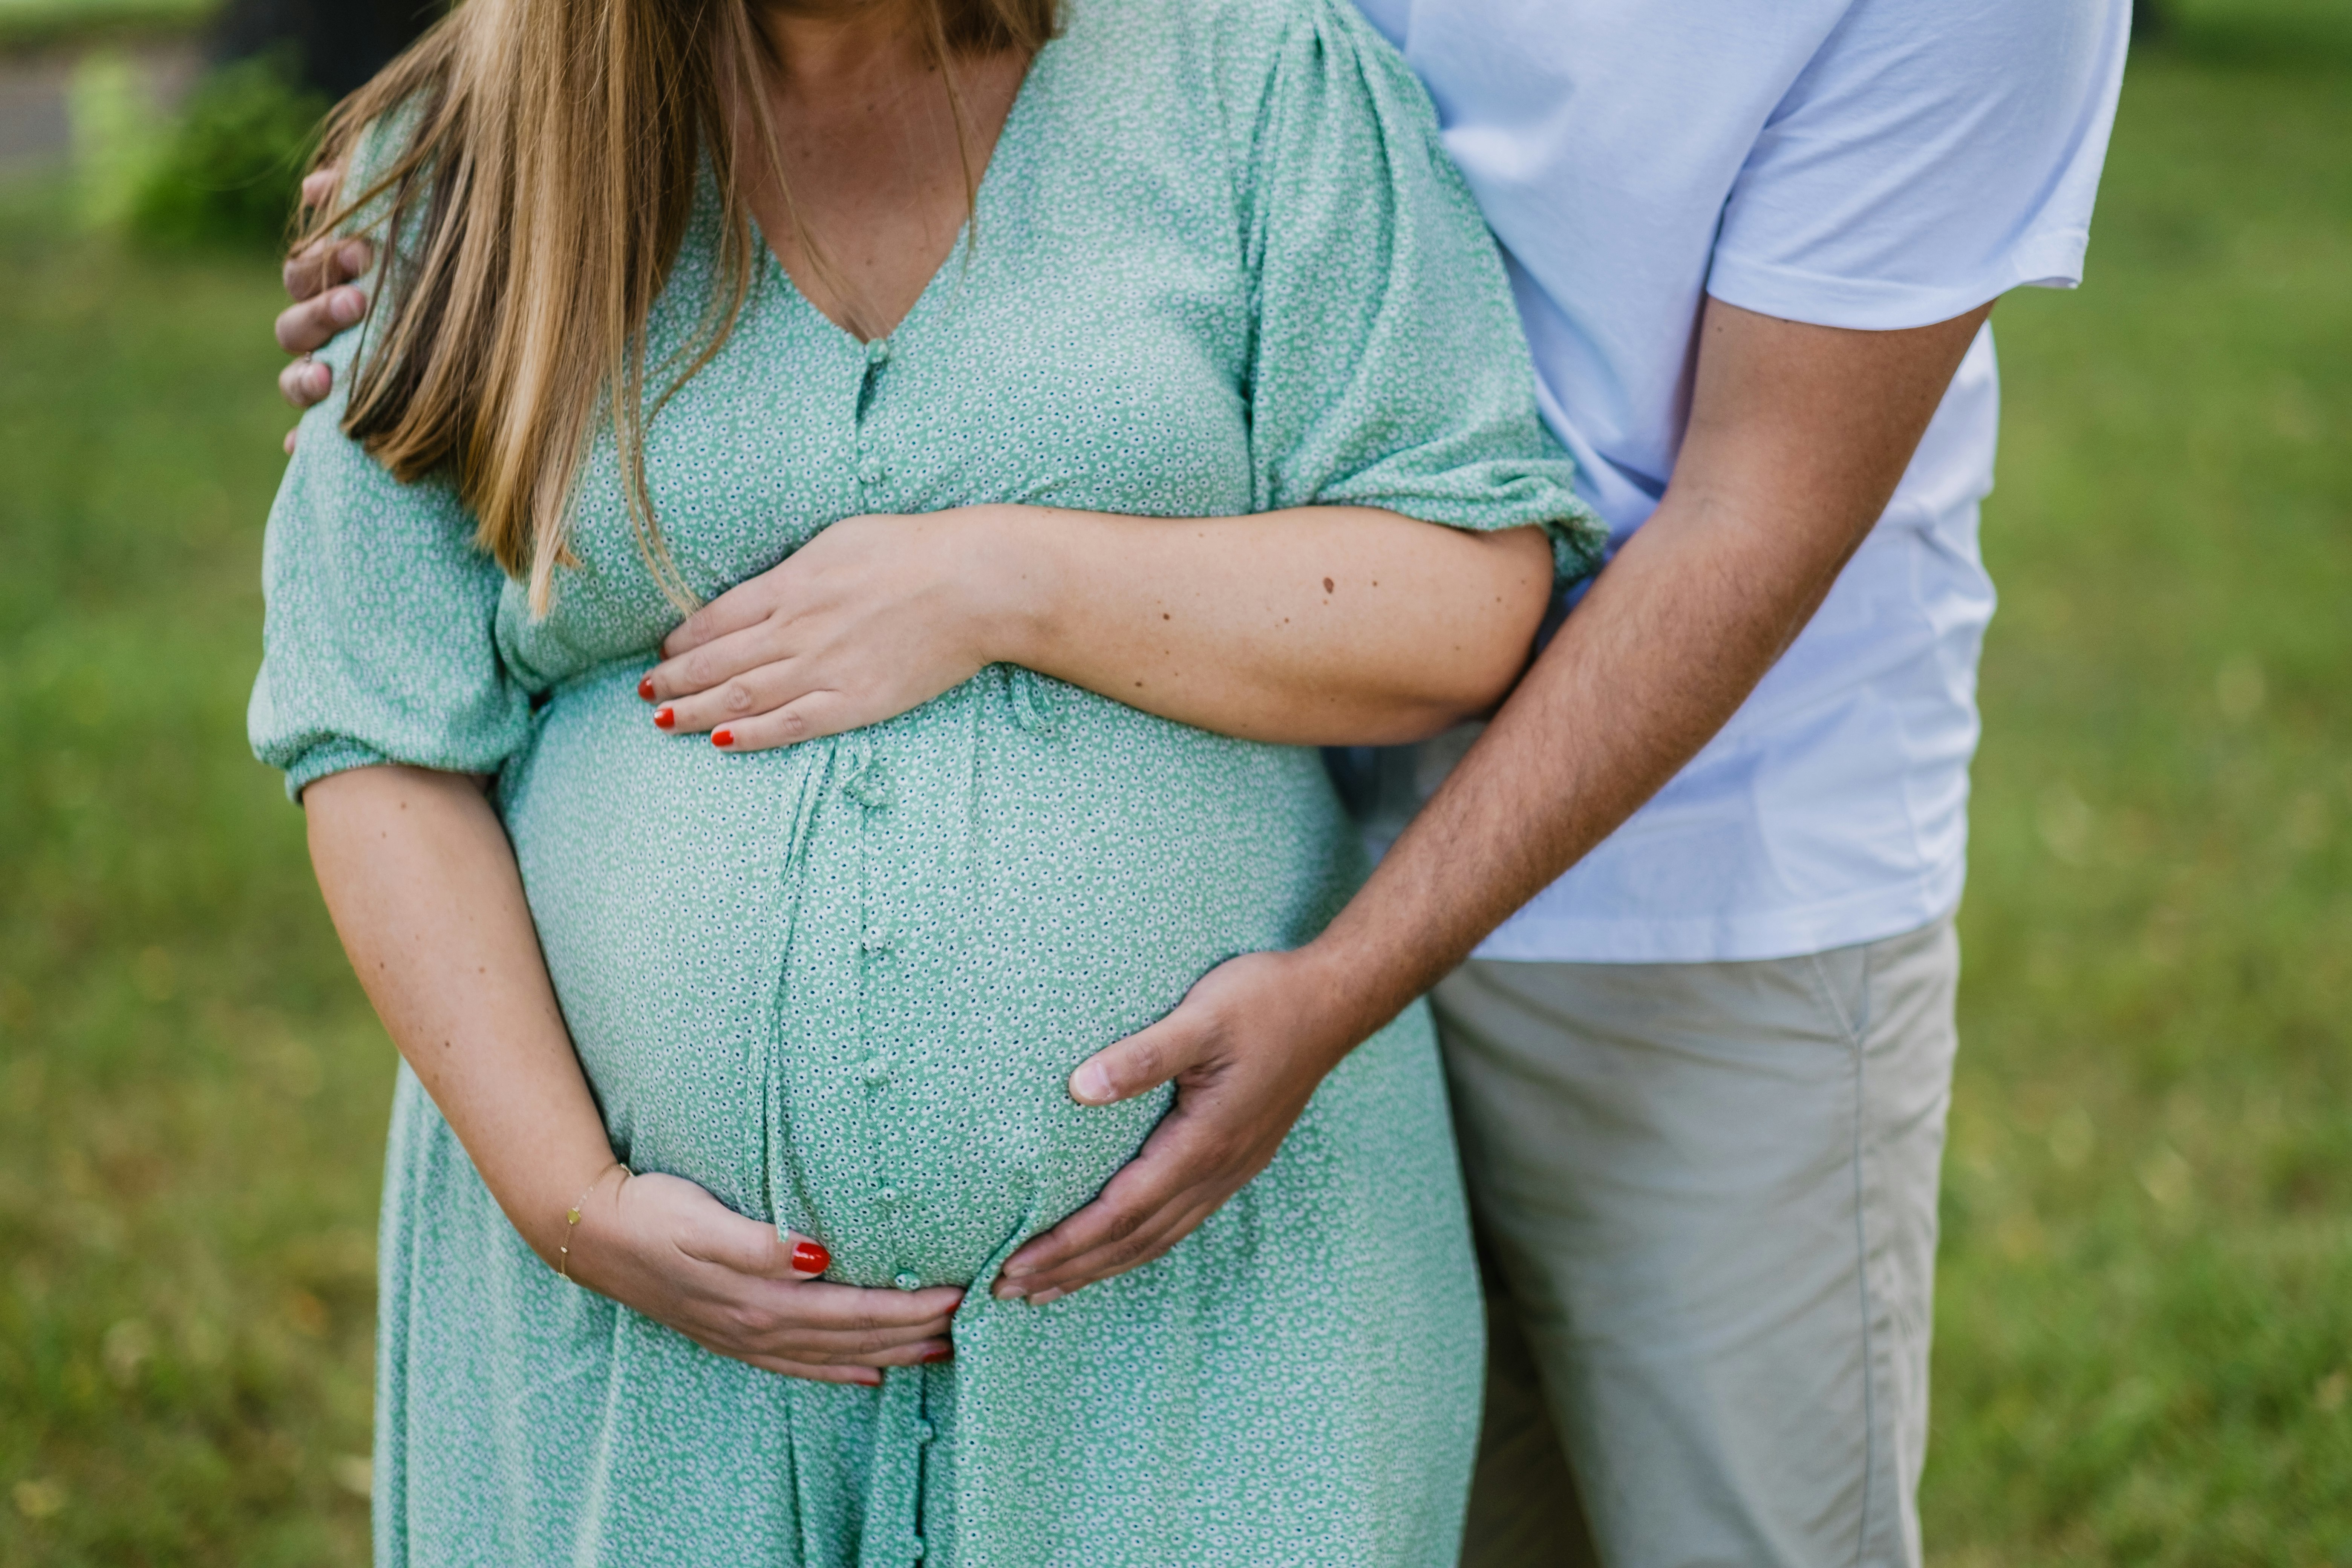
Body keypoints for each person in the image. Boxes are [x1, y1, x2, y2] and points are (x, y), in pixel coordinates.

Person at [275, 4, 2134, 1565]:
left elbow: (1747, 510)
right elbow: (376, 707)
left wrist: (1009, 589)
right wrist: (476, 151)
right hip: (699, 1325)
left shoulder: (1254, 84)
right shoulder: (480, 173)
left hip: (1695, 876)